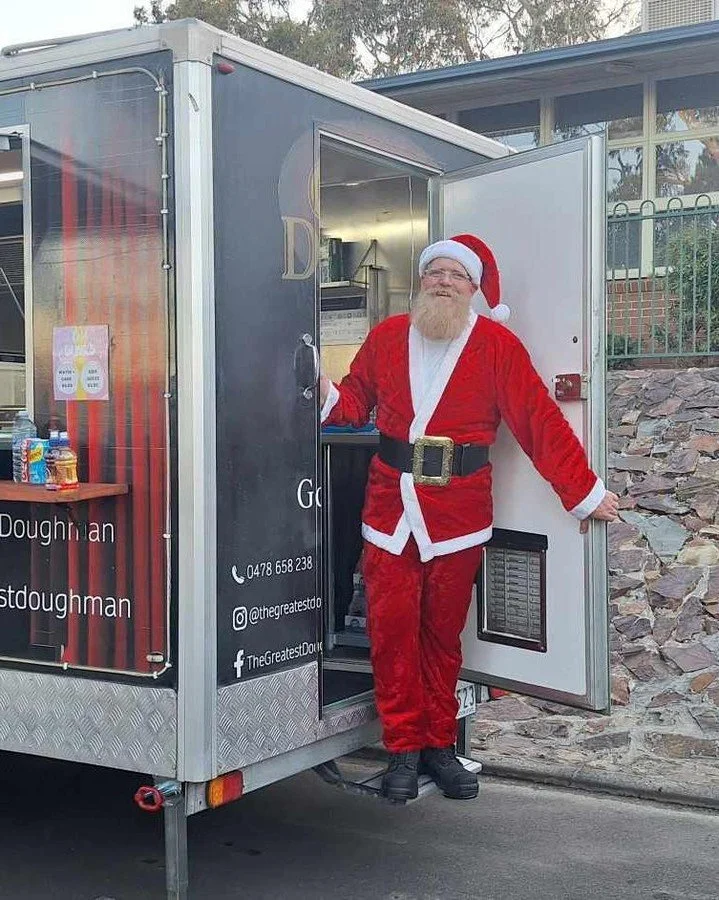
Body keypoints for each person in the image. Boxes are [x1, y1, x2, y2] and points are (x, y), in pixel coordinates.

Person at [319, 233, 619, 802]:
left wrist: (581, 491)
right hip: (391, 510)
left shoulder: (496, 345)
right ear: (422, 281)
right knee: (392, 634)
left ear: (474, 288)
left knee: (442, 637)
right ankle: (402, 748)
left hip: (457, 514)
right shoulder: (386, 337)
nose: (444, 282)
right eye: (436, 273)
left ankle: (438, 744)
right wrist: (319, 385)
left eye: (457, 275)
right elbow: (355, 404)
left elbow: (539, 422)